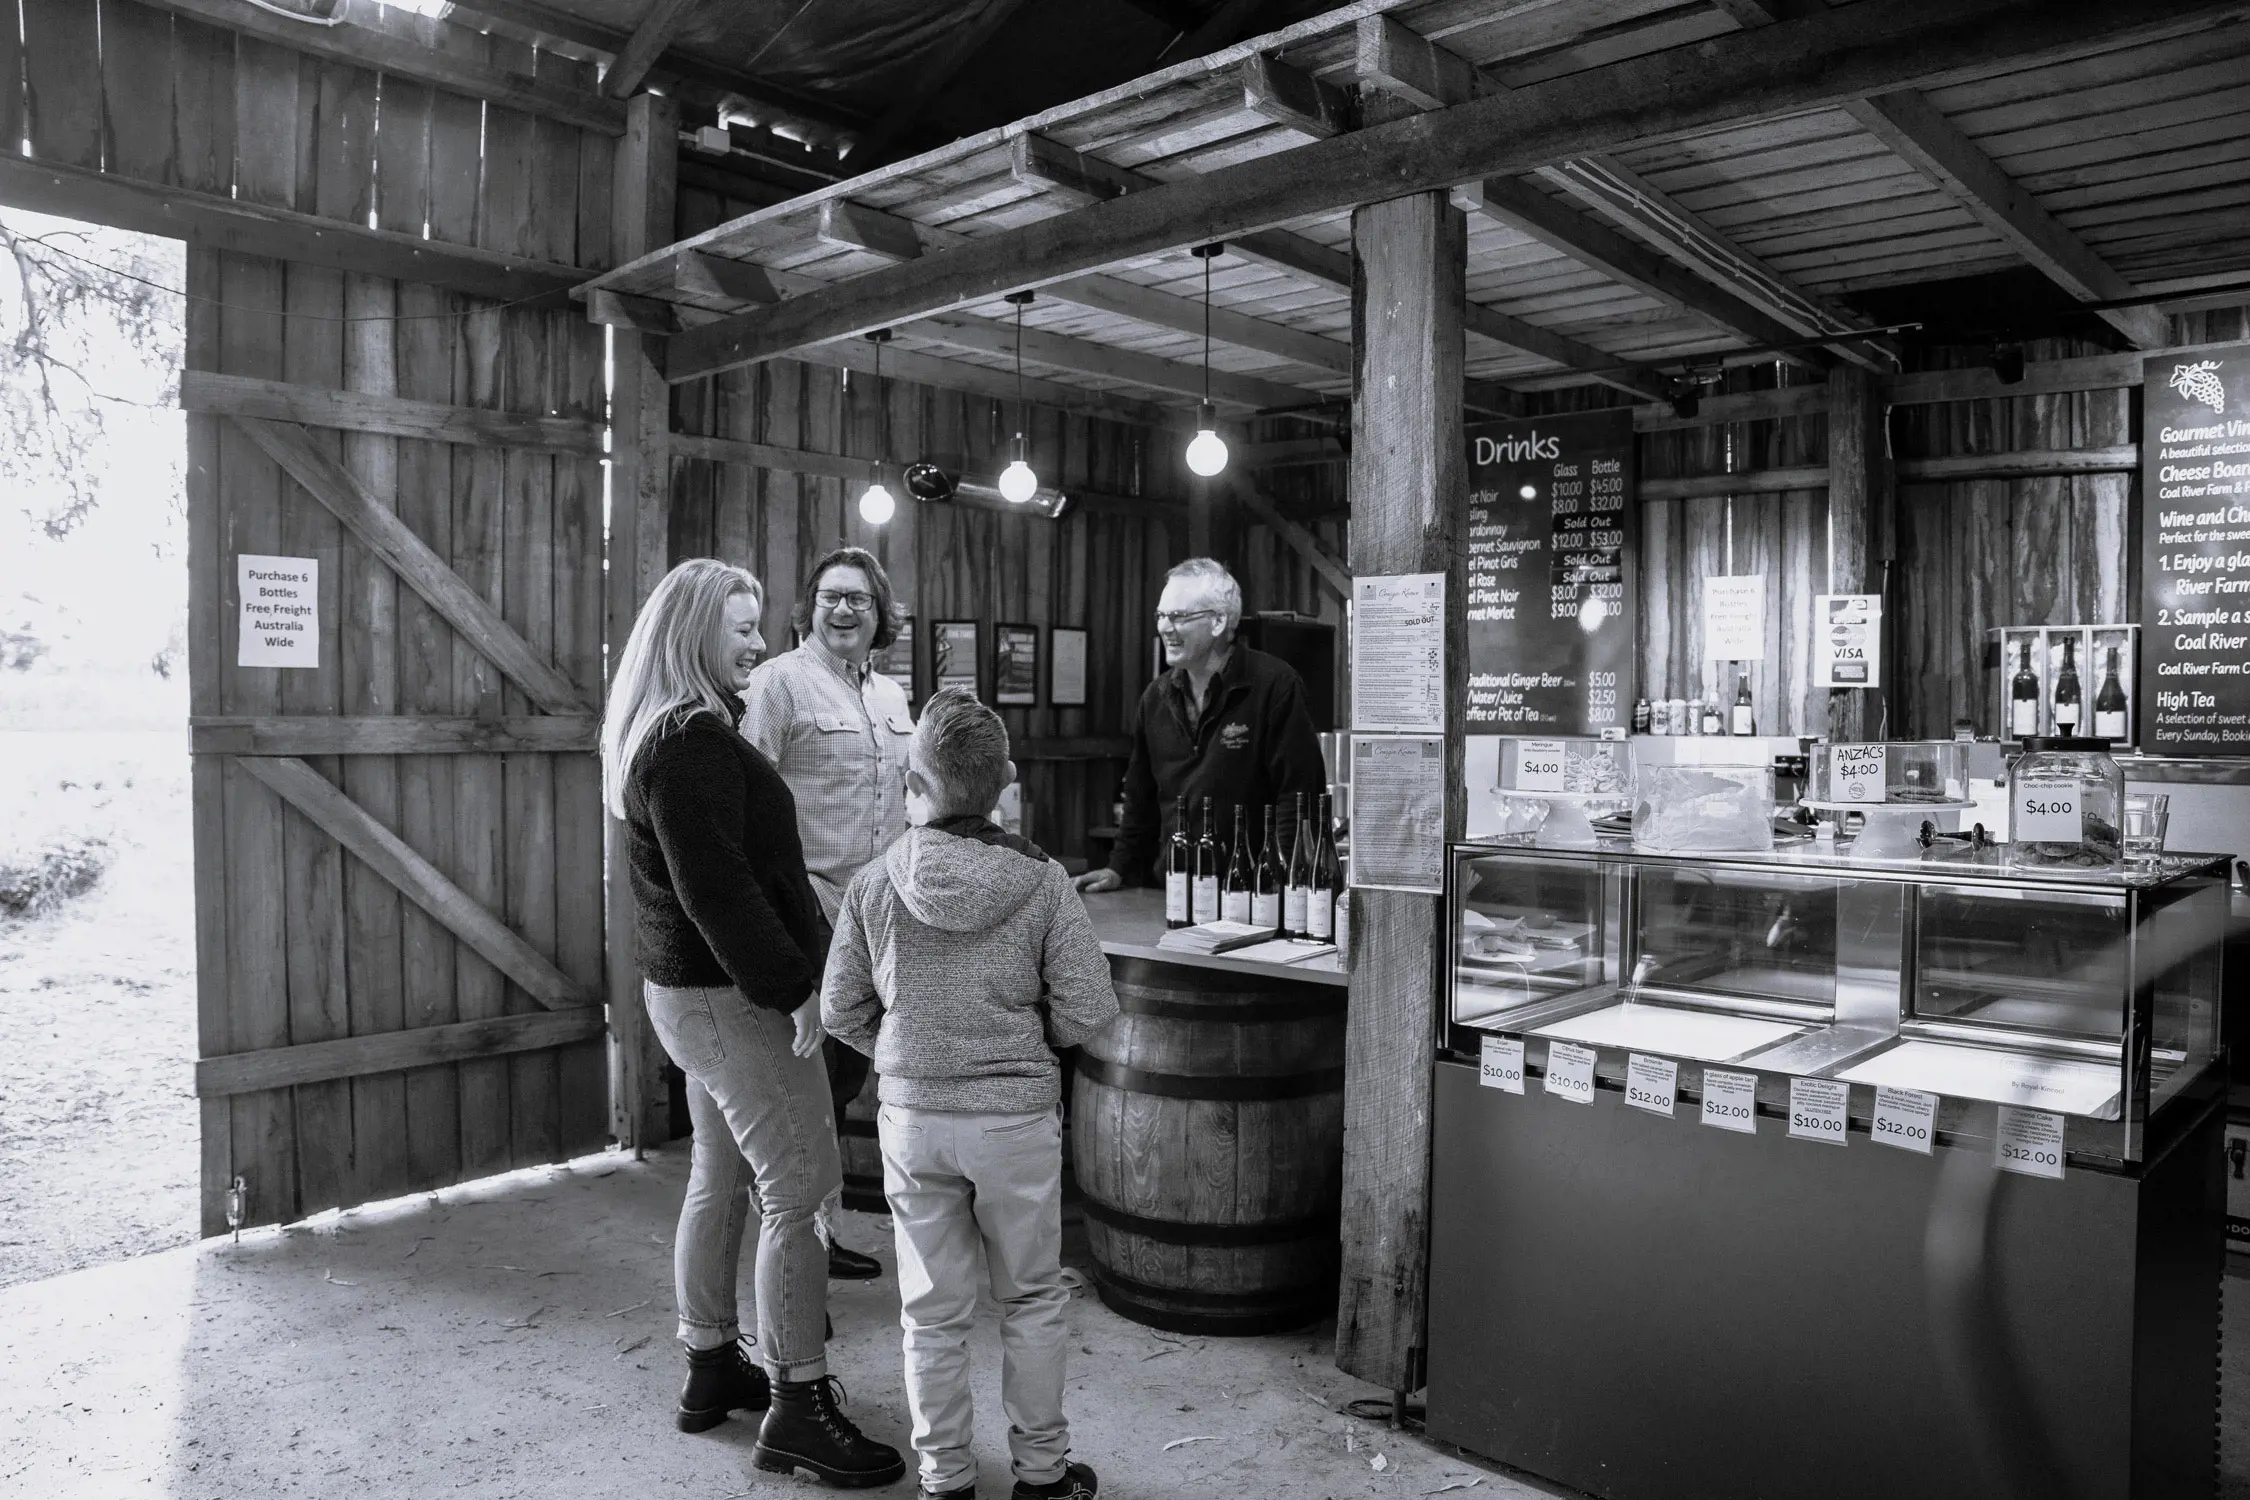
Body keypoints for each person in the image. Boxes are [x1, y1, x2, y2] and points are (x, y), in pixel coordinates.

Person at [601, 557, 905, 1488]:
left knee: (722, 1177)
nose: (758, 641)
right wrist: (795, 987)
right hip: (731, 998)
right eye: (741, 626)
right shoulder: (690, 738)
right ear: (695, 631)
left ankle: (710, 1362)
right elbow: (717, 889)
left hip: (694, 994)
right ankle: (799, 1405)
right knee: (802, 1190)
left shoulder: (676, 727)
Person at [823, 688, 1118, 1500]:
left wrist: (907, 1052)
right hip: (1014, 1118)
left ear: (914, 781)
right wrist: (1024, 1041)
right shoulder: (1045, 882)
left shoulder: (875, 884)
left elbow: (839, 1011)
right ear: (1008, 780)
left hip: (913, 1119)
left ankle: (945, 1479)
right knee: (1030, 1300)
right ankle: (1042, 1474)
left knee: (930, 1311)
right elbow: (1089, 1012)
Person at [740, 545, 916, 1283]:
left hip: (875, 914)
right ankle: (792, 1245)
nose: (844, 610)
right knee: (802, 1085)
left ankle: (817, 1234)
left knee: (843, 1081)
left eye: (860, 600)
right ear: (807, 608)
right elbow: (744, 797)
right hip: (808, 909)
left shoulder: (893, 696)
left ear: (881, 615)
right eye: (831, 597)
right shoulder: (777, 683)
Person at [1073, 556, 1326, 895]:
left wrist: (1277, 879)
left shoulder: (1275, 686)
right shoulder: (1156, 698)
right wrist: (1119, 867)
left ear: (1219, 621)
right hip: (1172, 892)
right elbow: (1140, 799)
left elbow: (1297, 796)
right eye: (1161, 615)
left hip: (1250, 893)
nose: (1164, 627)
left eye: (1178, 616)